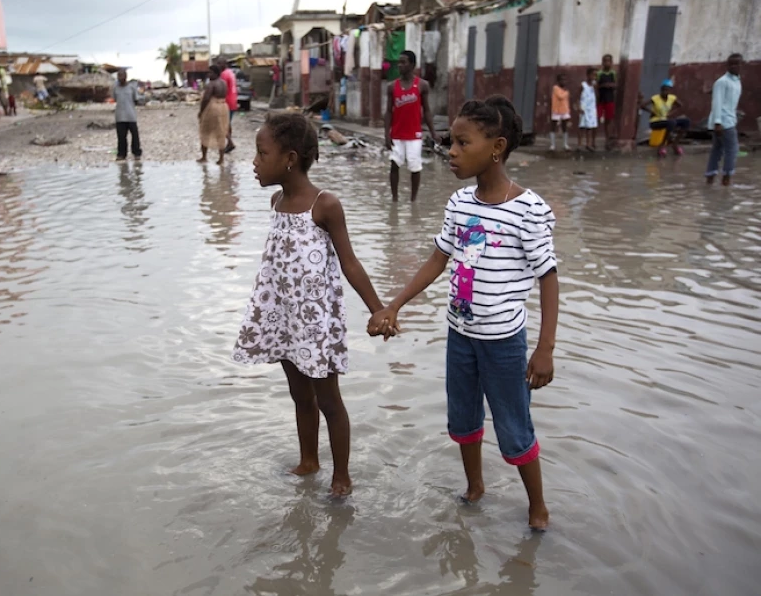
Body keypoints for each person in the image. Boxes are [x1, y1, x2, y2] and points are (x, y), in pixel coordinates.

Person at [368, 95, 558, 530]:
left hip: (505, 343)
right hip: (461, 336)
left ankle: (538, 507)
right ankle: (475, 486)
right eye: (450, 141)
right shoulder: (460, 203)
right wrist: (394, 304)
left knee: (514, 427)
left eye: (461, 142)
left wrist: (545, 350)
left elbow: (549, 278)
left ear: (496, 147)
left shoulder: (527, 210)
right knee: (463, 419)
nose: (450, 151)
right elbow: (439, 259)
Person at [232, 113, 389, 497]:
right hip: (284, 317)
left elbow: (349, 262)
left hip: (315, 323)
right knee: (300, 396)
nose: (254, 161)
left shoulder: (325, 205)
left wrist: (377, 309)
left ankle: (342, 476)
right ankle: (308, 461)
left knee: (328, 400)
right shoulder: (276, 201)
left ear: (289, 158)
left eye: (261, 152)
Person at [384, 50, 437, 203]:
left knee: (415, 167)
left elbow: (426, 110)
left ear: (412, 65)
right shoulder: (391, 87)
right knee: (394, 164)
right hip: (397, 134)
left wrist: (433, 132)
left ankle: (413, 200)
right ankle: (395, 199)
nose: (400, 65)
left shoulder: (422, 85)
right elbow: (388, 112)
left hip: (414, 135)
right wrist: (386, 134)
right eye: (398, 62)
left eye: (403, 62)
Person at [705, 53, 743, 186]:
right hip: (723, 122)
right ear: (727, 65)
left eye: (737, 64)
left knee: (717, 149)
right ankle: (726, 177)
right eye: (731, 63)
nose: (734, 66)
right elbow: (717, 103)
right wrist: (717, 123)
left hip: (729, 119)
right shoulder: (722, 82)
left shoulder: (737, 81)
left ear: (741, 65)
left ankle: (710, 177)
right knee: (732, 149)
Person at [641, 80, 690, 157]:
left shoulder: (672, 98)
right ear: (661, 90)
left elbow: (680, 105)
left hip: (665, 120)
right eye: (663, 90)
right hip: (655, 121)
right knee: (672, 122)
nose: (665, 92)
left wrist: (671, 113)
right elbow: (642, 105)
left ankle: (675, 144)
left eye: (667, 90)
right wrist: (651, 112)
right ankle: (662, 145)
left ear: (670, 91)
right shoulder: (655, 98)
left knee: (686, 121)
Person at [197, 65, 230, 165]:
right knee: (221, 132)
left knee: (205, 131)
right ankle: (221, 158)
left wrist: (201, 111)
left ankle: (204, 157)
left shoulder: (211, 84)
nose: (208, 74)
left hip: (213, 107)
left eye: (210, 72)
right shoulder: (224, 83)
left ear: (216, 73)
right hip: (224, 106)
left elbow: (206, 98)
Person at [112, 69, 141, 161]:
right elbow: (115, 99)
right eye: (118, 76)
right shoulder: (115, 88)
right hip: (119, 116)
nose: (120, 78)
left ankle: (136, 153)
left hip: (131, 116)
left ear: (126, 77)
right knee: (121, 137)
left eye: (122, 76)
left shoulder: (132, 87)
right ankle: (121, 154)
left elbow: (136, 100)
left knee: (135, 136)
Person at [217, 57, 238, 153]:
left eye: (219, 64)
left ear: (224, 64)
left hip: (227, 102)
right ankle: (229, 143)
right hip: (233, 101)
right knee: (228, 123)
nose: (218, 66)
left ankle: (230, 142)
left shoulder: (224, 74)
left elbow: (222, 89)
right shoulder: (231, 72)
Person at [596, 54, 618, 149]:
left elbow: (616, 85)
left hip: (610, 99)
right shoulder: (599, 73)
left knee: (609, 120)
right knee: (597, 118)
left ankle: (608, 139)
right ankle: (593, 140)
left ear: (611, 62)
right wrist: (603, 86)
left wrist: (611, 85)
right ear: (602, 62)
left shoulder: (613, 73)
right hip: (601, 99)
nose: (607, 63)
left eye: (609, 61)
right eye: (605, 61)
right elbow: (596, 85)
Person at [577, 68, 598, 152]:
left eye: (595, 75)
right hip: (584, 108)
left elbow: (596, 96)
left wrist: (596, 87)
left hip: (592, 108)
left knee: (590, 127)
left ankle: (588, 144)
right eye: (593, 75)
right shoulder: (583, 85)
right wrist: (579, 106)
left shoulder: (594, 86)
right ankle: (579, 144)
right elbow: (578, 97)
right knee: (582, 126)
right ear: (588, 75)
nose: (594, 77)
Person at [550, 73, 571, 151]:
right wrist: (567, 92)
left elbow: (566, 101)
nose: (564, 81)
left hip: (564, 110)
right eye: (562, 80)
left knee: (565, 127)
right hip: (556, 110)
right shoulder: (555, 88)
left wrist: (568, 110)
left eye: (565, 80)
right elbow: (561, 96)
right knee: (553, 127)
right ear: (558, 81)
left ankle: (565, 144)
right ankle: (552, 145)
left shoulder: (565, 89)